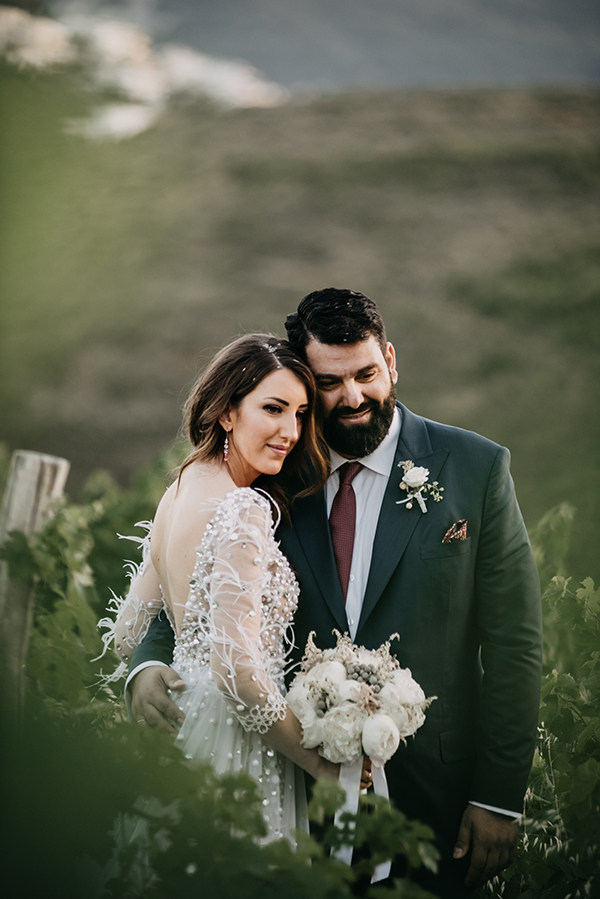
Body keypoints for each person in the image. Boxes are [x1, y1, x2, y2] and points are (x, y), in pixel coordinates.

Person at [127, 290, 543, 898]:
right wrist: (149, 661)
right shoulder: (278, 468)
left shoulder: (473, 468)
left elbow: (515, 642)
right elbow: (206, 580)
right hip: (294, 788)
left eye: (366, 374)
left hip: (436, 795)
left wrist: (498, 797)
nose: (351, 397)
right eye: (329, 382)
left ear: (391, 363)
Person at [101, 333, 355, 844]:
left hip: (181, 726)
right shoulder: (244, 509)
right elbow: (238, 673)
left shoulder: (180, 488)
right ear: (226, 413)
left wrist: (153, 669)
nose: (290, 430)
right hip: (237, 746)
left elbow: (129, 630)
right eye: (273, 408)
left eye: (302, 413)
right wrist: (318, 765)